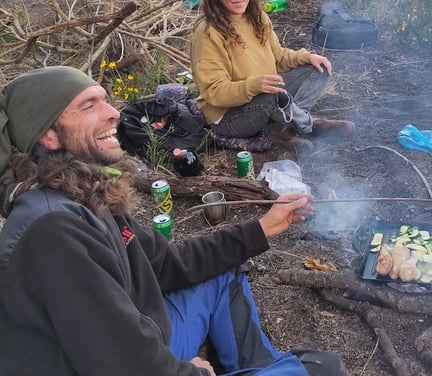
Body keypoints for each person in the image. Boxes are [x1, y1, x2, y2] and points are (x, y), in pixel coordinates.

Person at [0, 66, 348, 376]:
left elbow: (168, 263)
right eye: (89, 106)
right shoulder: (52, 231)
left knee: (221, 270)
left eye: (105, 100)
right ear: (47, 135)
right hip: (124, 361)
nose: (113, 113)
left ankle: (258, 365)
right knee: (324, 369)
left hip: (144, 334)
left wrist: (264, 226)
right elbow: (120, 362)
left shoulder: (84, 193)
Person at [190, 0, 355, 152]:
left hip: (265, 96)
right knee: (273, 95)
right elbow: (214, 92)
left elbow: (278, 58)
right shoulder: (208, 33)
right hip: (228, 117)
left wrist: (307, 57)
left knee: (318, 69)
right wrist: (253, 85)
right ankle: (310, 125)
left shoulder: (257, 17)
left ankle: (288, 129)